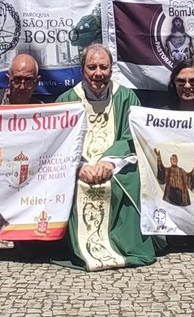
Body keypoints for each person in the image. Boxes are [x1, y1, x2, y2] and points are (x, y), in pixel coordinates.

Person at [57, 44, 155, 270]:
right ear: (82, 70)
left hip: (115, 167)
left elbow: (133, 137)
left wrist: (109, 162)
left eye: (104, 67)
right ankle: (77, 246)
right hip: (79, 167)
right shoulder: (66, 100)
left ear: (112, 69)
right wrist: (79, 165)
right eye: (92, 67)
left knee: (134, 177)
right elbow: (59, 143)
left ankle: (124, 244)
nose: (98, 73)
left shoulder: (127, 97)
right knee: (68, 181)